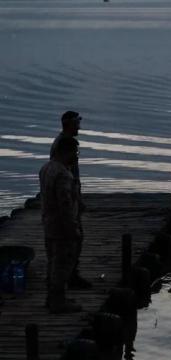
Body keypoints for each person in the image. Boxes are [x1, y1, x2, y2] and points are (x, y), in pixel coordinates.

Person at [39, 137, 83, 313]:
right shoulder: (63, 174)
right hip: (61, 227)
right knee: (62, 265)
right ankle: (58, 303)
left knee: (52, 262)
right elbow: (64, 205)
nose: (76, 156)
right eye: (75, 152)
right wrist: (73, 228)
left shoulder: (46, 168)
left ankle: (52, 298)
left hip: (48, 224)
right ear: (67, 152)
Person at [50, 110, 91, 289]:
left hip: (72, 196)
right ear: (69, 124)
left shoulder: (67, 143)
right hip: (66, 200)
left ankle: (70, 274)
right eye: (77, 123)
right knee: (73, 239)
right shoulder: (61, 145)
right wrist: (74, 201)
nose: (79, 127)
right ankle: (69, 277)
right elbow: (61, 178)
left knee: (76, 239)